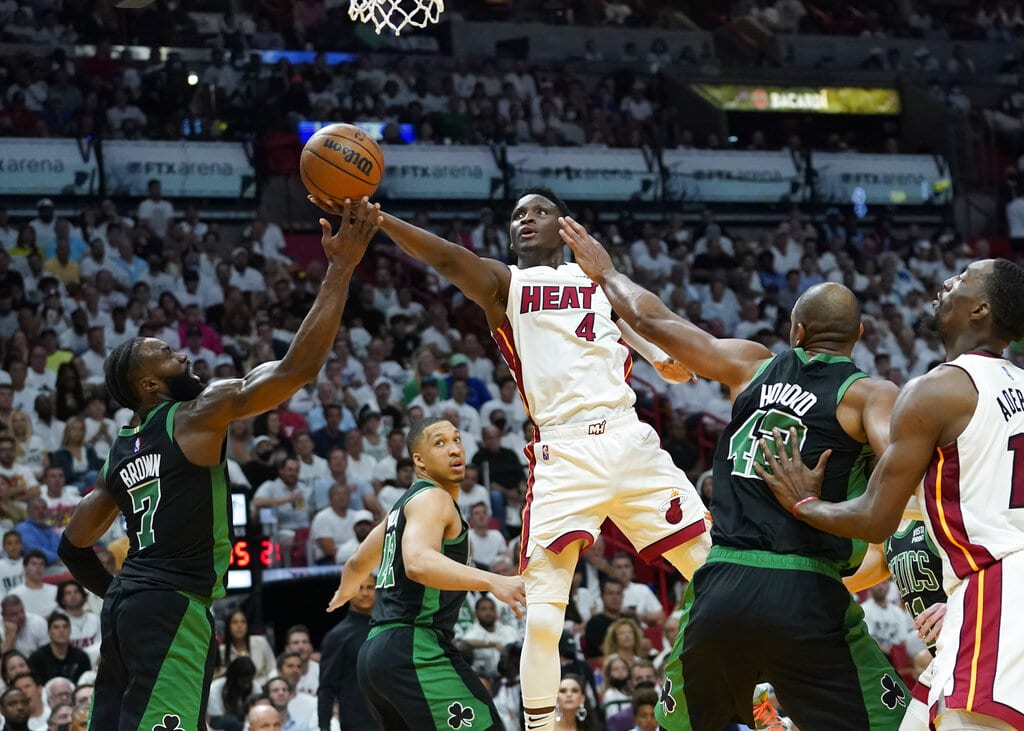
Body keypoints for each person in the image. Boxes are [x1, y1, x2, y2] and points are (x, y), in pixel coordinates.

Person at [311, 188, 710, 730]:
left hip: (629, 439)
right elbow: (449, 259)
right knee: (544, 618)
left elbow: (632, 320)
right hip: (564, 452)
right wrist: (384, 221)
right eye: (517, 215)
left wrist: (664, 357)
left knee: (717, 574)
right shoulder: (507, 285)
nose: (526, 219)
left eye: (539, 211)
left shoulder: (597, 278)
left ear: (564, 225)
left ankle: (757, 692)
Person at [558, 216, 909, 730]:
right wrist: (818, 505)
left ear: (796, 331)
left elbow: (653, 320)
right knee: (898, 723)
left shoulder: (751, 364)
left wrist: (606, 270)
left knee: (686, 724)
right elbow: (907, 466)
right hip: (805, 590)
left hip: (722, 583)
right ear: (860, 335)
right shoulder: (870, 394)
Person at [54, 200, 382, 731]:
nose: (183, 355)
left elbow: (73, 543)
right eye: (166, 354)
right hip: (171, 607)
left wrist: (116, 590)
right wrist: (341, 268)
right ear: (149, 385)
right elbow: (298, 367)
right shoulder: (195, 412)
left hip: (123, 613)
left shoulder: (121, 449)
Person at [756, 258, 1024, 731]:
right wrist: (961, 597)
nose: (947, 282)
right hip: (986, 592)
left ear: (980, 309)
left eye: (961, 279)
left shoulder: (938, 388)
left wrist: (805, 503)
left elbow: (877, 518)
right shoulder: (1018, 386)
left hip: (996, 591)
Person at [325, 417, 526, 730]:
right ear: (418, 460)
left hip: (376, 654)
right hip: (415, 647)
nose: (454, 449)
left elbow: (356, 564)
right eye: (440, 442)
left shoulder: (400, 509)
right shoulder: (434, 498)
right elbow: (418, 563)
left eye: (457, 439)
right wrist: (492, 580)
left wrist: (344, 593)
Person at [317, 574, 376, 731]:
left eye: (370, 587)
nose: (365, 593)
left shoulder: (389, 628)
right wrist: (324, 727)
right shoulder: (337, 636)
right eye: (359, 587)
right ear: (348, 592)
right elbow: (326, 688)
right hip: (357, 722)